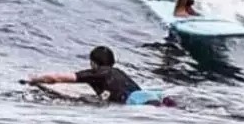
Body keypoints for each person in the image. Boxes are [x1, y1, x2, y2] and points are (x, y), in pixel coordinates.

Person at [22, 45, 174, 106]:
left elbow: (56, 78)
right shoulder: (118, 71)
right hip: (149, 95)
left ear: (94, 63)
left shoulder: (95, 74)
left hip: (136, 102)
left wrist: (33, 80)